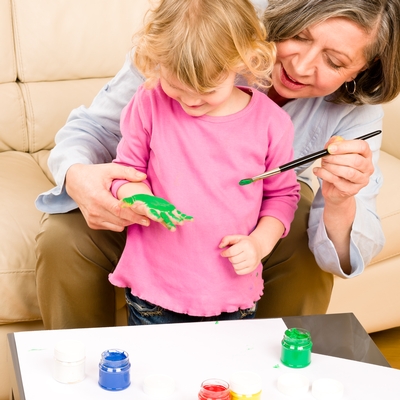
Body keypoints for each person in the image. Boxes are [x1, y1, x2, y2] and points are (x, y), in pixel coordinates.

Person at [35, 0, 400, 329]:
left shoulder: (353, 117)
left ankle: (271, 373)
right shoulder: (200, 34)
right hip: (151, 198)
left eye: (335, 61)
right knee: (62, 240)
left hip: (254, 216)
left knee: (304, 236)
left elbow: (310, 221)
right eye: (299, 37)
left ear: (361, 71)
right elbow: (97, 128)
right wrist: (78, 176)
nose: (302, 66)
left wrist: (339, 201)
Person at [107, 0, 300, 325]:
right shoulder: (149, 101)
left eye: (208, 89)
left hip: (231, 294)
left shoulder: (271, 122)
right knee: (154, 375)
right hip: (154, 289)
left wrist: (258, 244)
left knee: (222, 376)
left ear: (243, 61)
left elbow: (282, 197)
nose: (191, 101)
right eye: (177, 88)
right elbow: (125, 173)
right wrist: (138, 197)